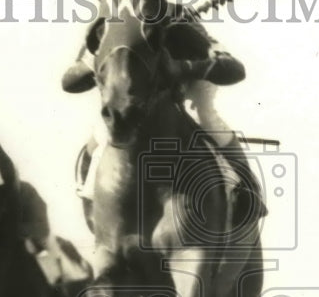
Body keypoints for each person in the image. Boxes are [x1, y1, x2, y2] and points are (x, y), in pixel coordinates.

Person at [63, 16, 268, 227]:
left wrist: (183, 68)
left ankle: (248, 188)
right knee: (103, 129)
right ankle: (88, 191)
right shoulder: (114, 28)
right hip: (148, 92)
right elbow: (69, 81)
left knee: (205, 116)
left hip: (190, 84)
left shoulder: (184, 26)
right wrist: (94, 63)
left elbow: (235, 70)